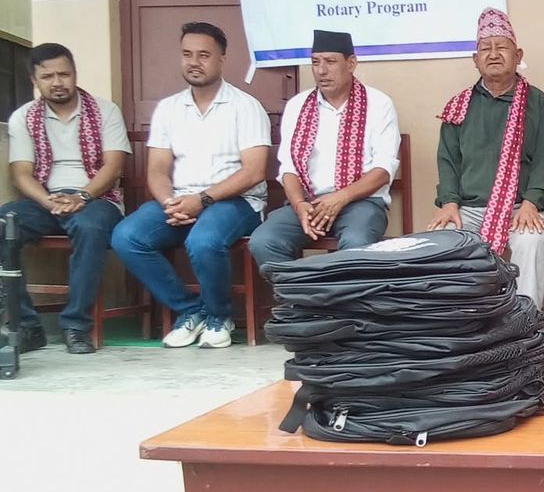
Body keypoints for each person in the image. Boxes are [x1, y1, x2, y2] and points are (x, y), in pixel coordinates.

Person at [112, 22, 270, 349]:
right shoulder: (169, 108)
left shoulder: (245, 106)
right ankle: (190, 310)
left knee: (203, 240)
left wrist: (202, 200)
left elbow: (254, 172)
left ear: (222, 60)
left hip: (237, 202)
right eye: (187, 54)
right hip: (182, 201)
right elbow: (157, 169)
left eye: (203, 55)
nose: (194, 62)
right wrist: (169, 203)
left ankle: (219, 317)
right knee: (126, 236)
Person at [1, 42, 130, 355]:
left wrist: (82, 196)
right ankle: (27, 327)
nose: (57, 82)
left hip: (98, 199)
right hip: (46, 200)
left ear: (75, 74)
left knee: (89, 226)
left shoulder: (105, 111)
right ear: (35, 80)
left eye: (64, 74)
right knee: (4, 223)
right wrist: (49, 202)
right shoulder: (23, 118)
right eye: (48, 76)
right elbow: (22, 174)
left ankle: (76, 326)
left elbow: (113, 167)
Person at [430, 8, 544, 307]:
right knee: (442, 241)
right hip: (469, 208)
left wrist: (531, 203)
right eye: (486, 48)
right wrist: (449, 203)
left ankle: (525, 322)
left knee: (532, 243)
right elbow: (447, 161)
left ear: (517, 55)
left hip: (521, 207)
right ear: (476, 59)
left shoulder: (537, 102)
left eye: (502, 47)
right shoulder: (458, 106)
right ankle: (464, 325)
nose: (494, 54)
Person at [249, 29, 400, 274]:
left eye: (330, 62)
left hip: (360, 203)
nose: (321, 70)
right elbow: (288, 168)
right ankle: (304, 297)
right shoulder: (298, 105)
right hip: (309, 203)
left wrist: (339, 198)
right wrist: (299, 204)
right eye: (315, 62)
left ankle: (342, 300)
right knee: (265, 241)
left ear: (351, 63)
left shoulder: (378, 104)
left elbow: (383, 171)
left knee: (356, 243)